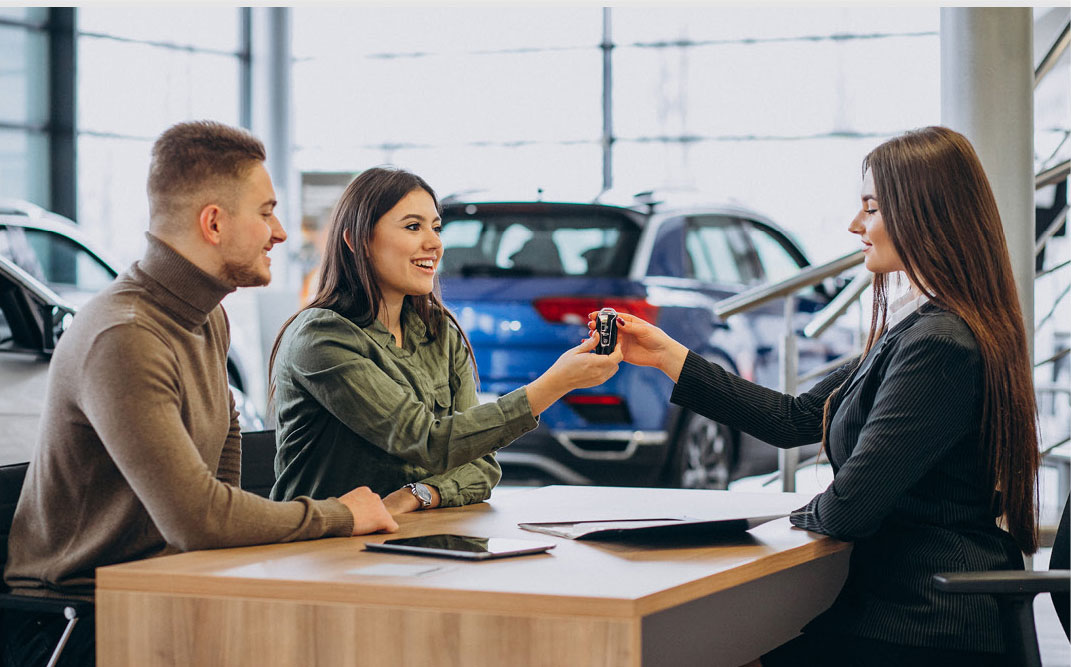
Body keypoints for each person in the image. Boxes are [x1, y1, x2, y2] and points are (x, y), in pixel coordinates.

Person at [598, 126, 1039, 666]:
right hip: (899, 610)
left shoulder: (940, 344)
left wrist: (788, 517)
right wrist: (668, 355)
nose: (855, 225)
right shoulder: (917, 329)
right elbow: (795, 419)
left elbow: (848, 509)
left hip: (926, 625)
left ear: (925, 214)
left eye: (871, 208)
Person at [2, 121, 398, 666]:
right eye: (266, 212)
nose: (280, 232)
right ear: (213, 223)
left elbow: (222, 473)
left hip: (168, 589)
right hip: (75, 623)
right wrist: (340, 515)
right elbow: (199, 520)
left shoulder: (206, 318)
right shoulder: (125, 335)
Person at [269, 167, 621, 513]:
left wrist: (418, 495)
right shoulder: (321, 336)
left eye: (436, 228)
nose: (434, 243)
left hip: (415, 537)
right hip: (327, 543)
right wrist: (554, 384)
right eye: (413, 227)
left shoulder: (439, 331)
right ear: (357, 240)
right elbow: (429, 442)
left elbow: (481, 466)